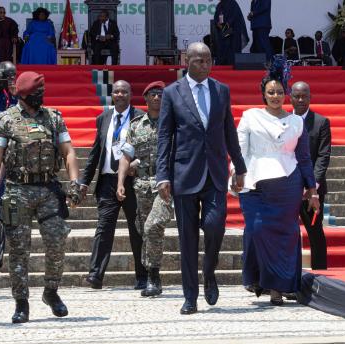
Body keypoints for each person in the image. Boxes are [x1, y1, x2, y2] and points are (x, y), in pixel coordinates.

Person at [0, 71, 82, 324]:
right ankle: (21, 302)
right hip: (17, 191)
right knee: (18, 249)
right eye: (36, 94)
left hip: (48, 189)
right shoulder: (5, 120)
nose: (41, 98)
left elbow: (69, 153)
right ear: (24, 95)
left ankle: (51, 292)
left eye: (42, 93)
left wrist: (75, 182)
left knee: (57, 240)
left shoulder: (53, 118)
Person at [156, 42, 247, 314]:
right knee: (187, 239)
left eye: (208, 60)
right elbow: (164, 137)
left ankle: (209, 271)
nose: (205, 65)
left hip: (216, 173)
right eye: (199, 61)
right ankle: (190, 296)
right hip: (184, 173)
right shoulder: (172, 93)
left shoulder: (221, 90)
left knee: (215, 226)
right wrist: (162, 175)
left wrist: (239, 168)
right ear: (187, 61)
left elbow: (229, 130)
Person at [236, 58, 319, 306]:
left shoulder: (296, 121)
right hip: (255, 184)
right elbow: (240, 151)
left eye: (280, 92)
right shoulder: (250, 116)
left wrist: (312, 189)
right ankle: (259, 278)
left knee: (287, 235)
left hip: (289, 184)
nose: (275, 96)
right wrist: (235, 173)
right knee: (256, 230)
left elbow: (303, 157)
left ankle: (278, 287)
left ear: (286, 94)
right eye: (271, 92)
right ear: (263, 93)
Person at [78, 81, 147, 290]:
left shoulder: (140, 117)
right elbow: (95, 153)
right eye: (116, 91)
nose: (120, 94)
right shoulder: (104, 118)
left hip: (133, 182)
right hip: (108, 181)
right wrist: (83, 182)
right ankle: (95, 275)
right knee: (104, 228)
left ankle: (142, 276)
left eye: (124, 91)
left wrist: (139, 164)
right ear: (112, 94)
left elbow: (148, 148)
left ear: (130, 94)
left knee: (137, 230)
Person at [116, 81, 173, 297]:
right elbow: (126, 156)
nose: (157, 98)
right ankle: (149, 272)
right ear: (146, 98)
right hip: (141, 186)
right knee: (144, 230)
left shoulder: (173, 123)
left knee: (153, 226)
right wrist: (121, 182)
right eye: (153, 94)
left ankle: (154, 276)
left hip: (165, 185)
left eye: (161, 94)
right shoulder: (136, 125)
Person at [291, 81, 330, 270]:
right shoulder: (281, 120)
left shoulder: (321, 122)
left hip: (311, 190)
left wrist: (311, 185)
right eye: (296, 96)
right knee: (286, 233)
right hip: (286, 187)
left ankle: (321, 274)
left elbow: (323, 156)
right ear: (290, 98)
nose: (300, 100)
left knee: (315, 232)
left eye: (304, 96)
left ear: (310, 98)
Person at [214, 0, 249, 65]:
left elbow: (234, 17)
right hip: (224, 30)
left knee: (232, 50)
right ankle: (222, 65)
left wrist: (226, 25)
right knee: (222, 47)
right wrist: (217, 23)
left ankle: (232, 67)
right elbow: (216, 17)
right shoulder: (219, 5)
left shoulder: (233, 3)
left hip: (233, 31)